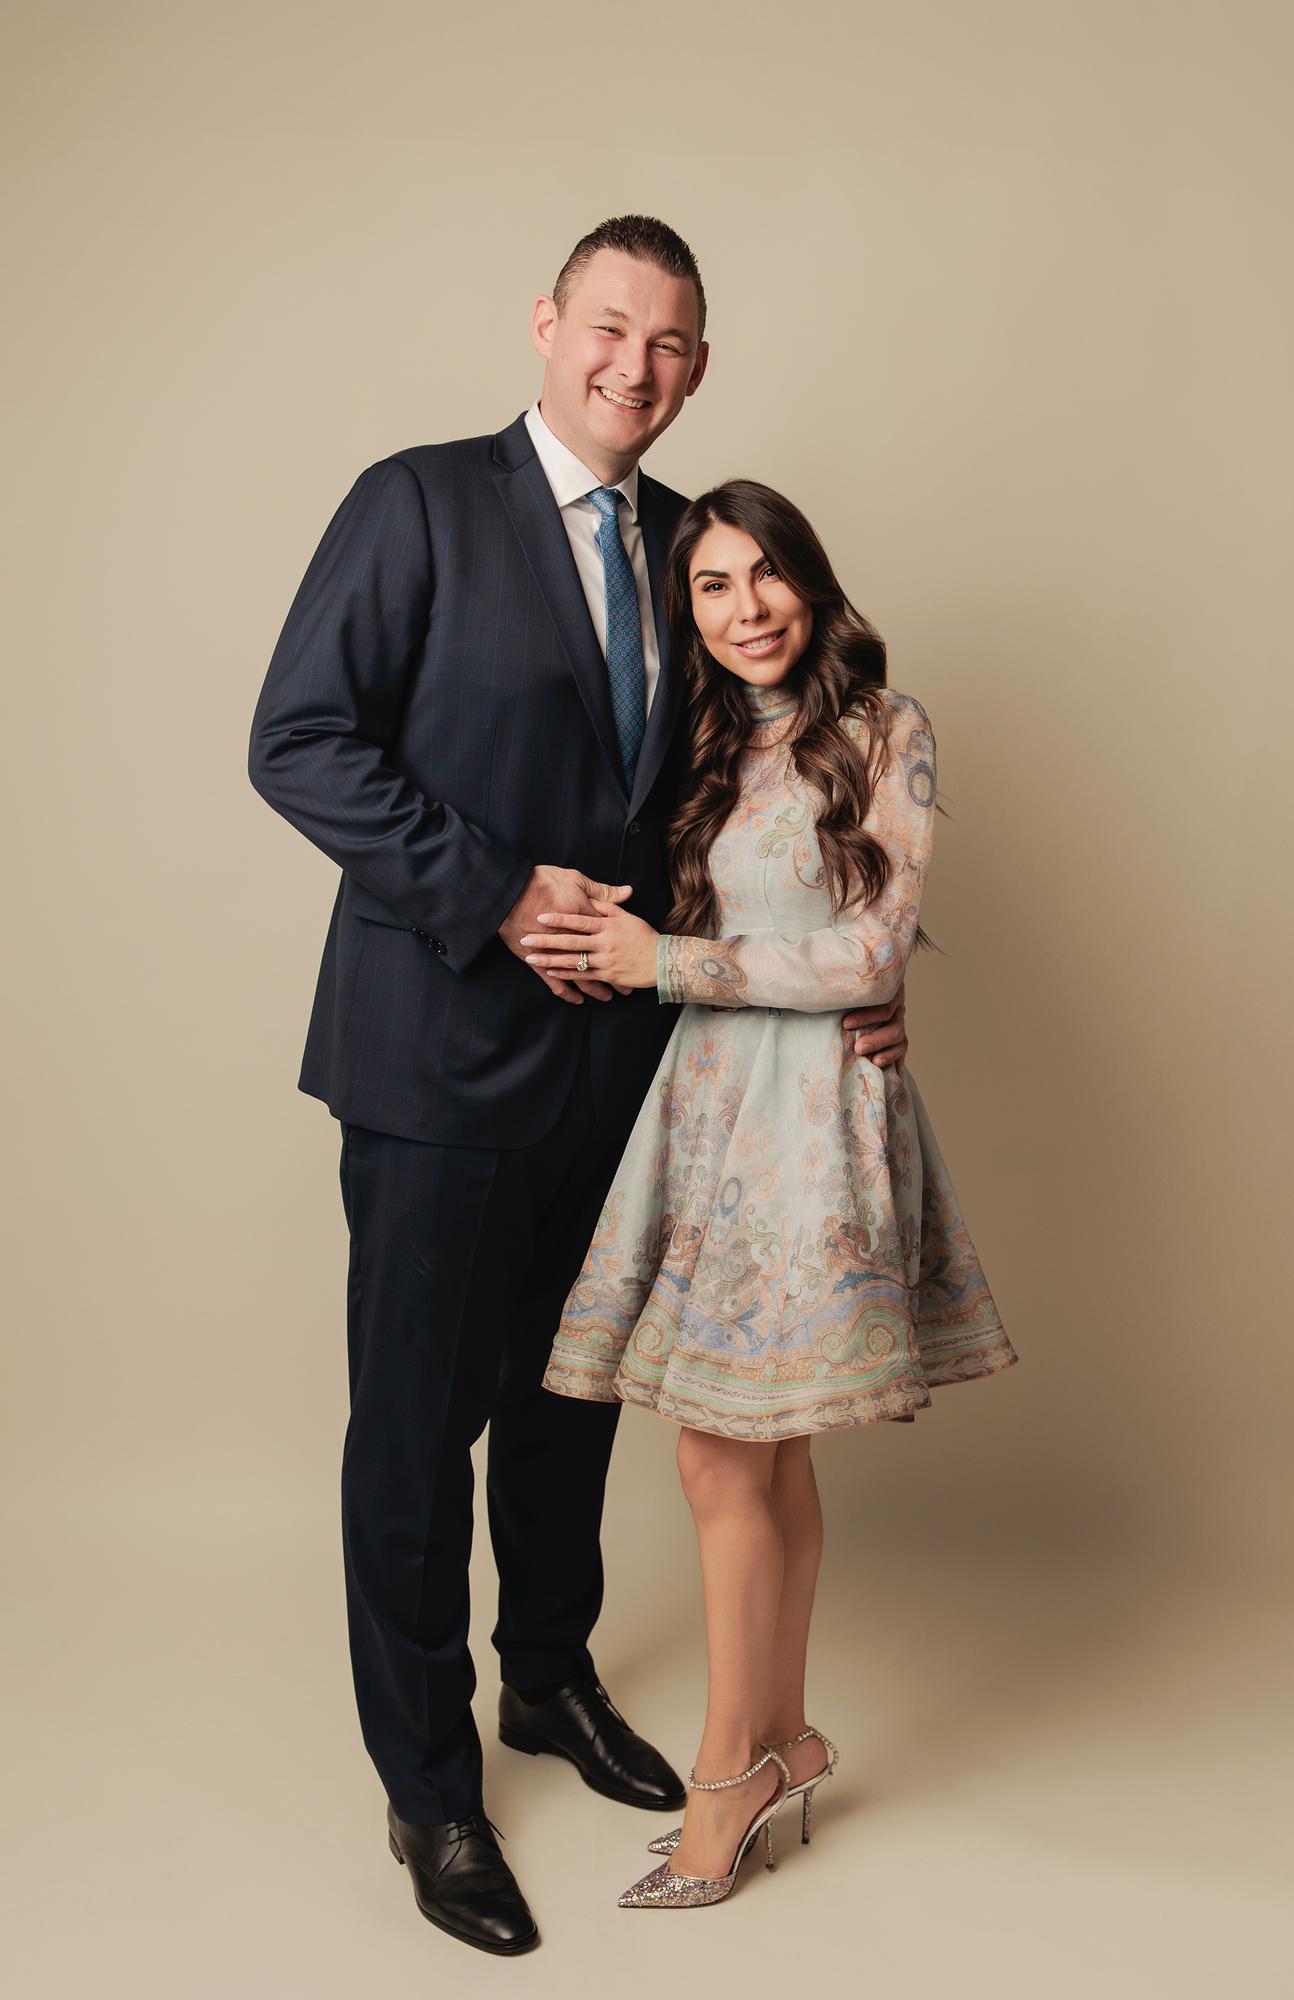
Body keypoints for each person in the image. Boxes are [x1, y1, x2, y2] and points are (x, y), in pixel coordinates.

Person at [248, 217, 909, 1956]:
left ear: (700, 366)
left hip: (631, 1072)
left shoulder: (697, 547)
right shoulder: (415, 504)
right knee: (416, 1433)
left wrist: (864, 972)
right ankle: (430, 1785)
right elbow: (298, 738)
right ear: (546, 325)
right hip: (437, 1052)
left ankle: (545, 1678)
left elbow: (780, 787)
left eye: (671, 341)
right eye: (610, 326)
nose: (637, 364)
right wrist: (491, 892)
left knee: (569, 1407)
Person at [533, 479, 1020, 1910]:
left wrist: (665, 966)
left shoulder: (885, 728)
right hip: (706, 1107)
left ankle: (725, 1777)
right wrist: (621, 938)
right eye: (711, 585)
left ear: (811, 582)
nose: (745, 609)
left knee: (723, 1457)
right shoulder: (693, 740)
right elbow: (718, 921)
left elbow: (869, 955)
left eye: (767, 576)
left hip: (810, 1117)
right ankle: (787, 1739)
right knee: (760, 1451)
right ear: (685, 610)